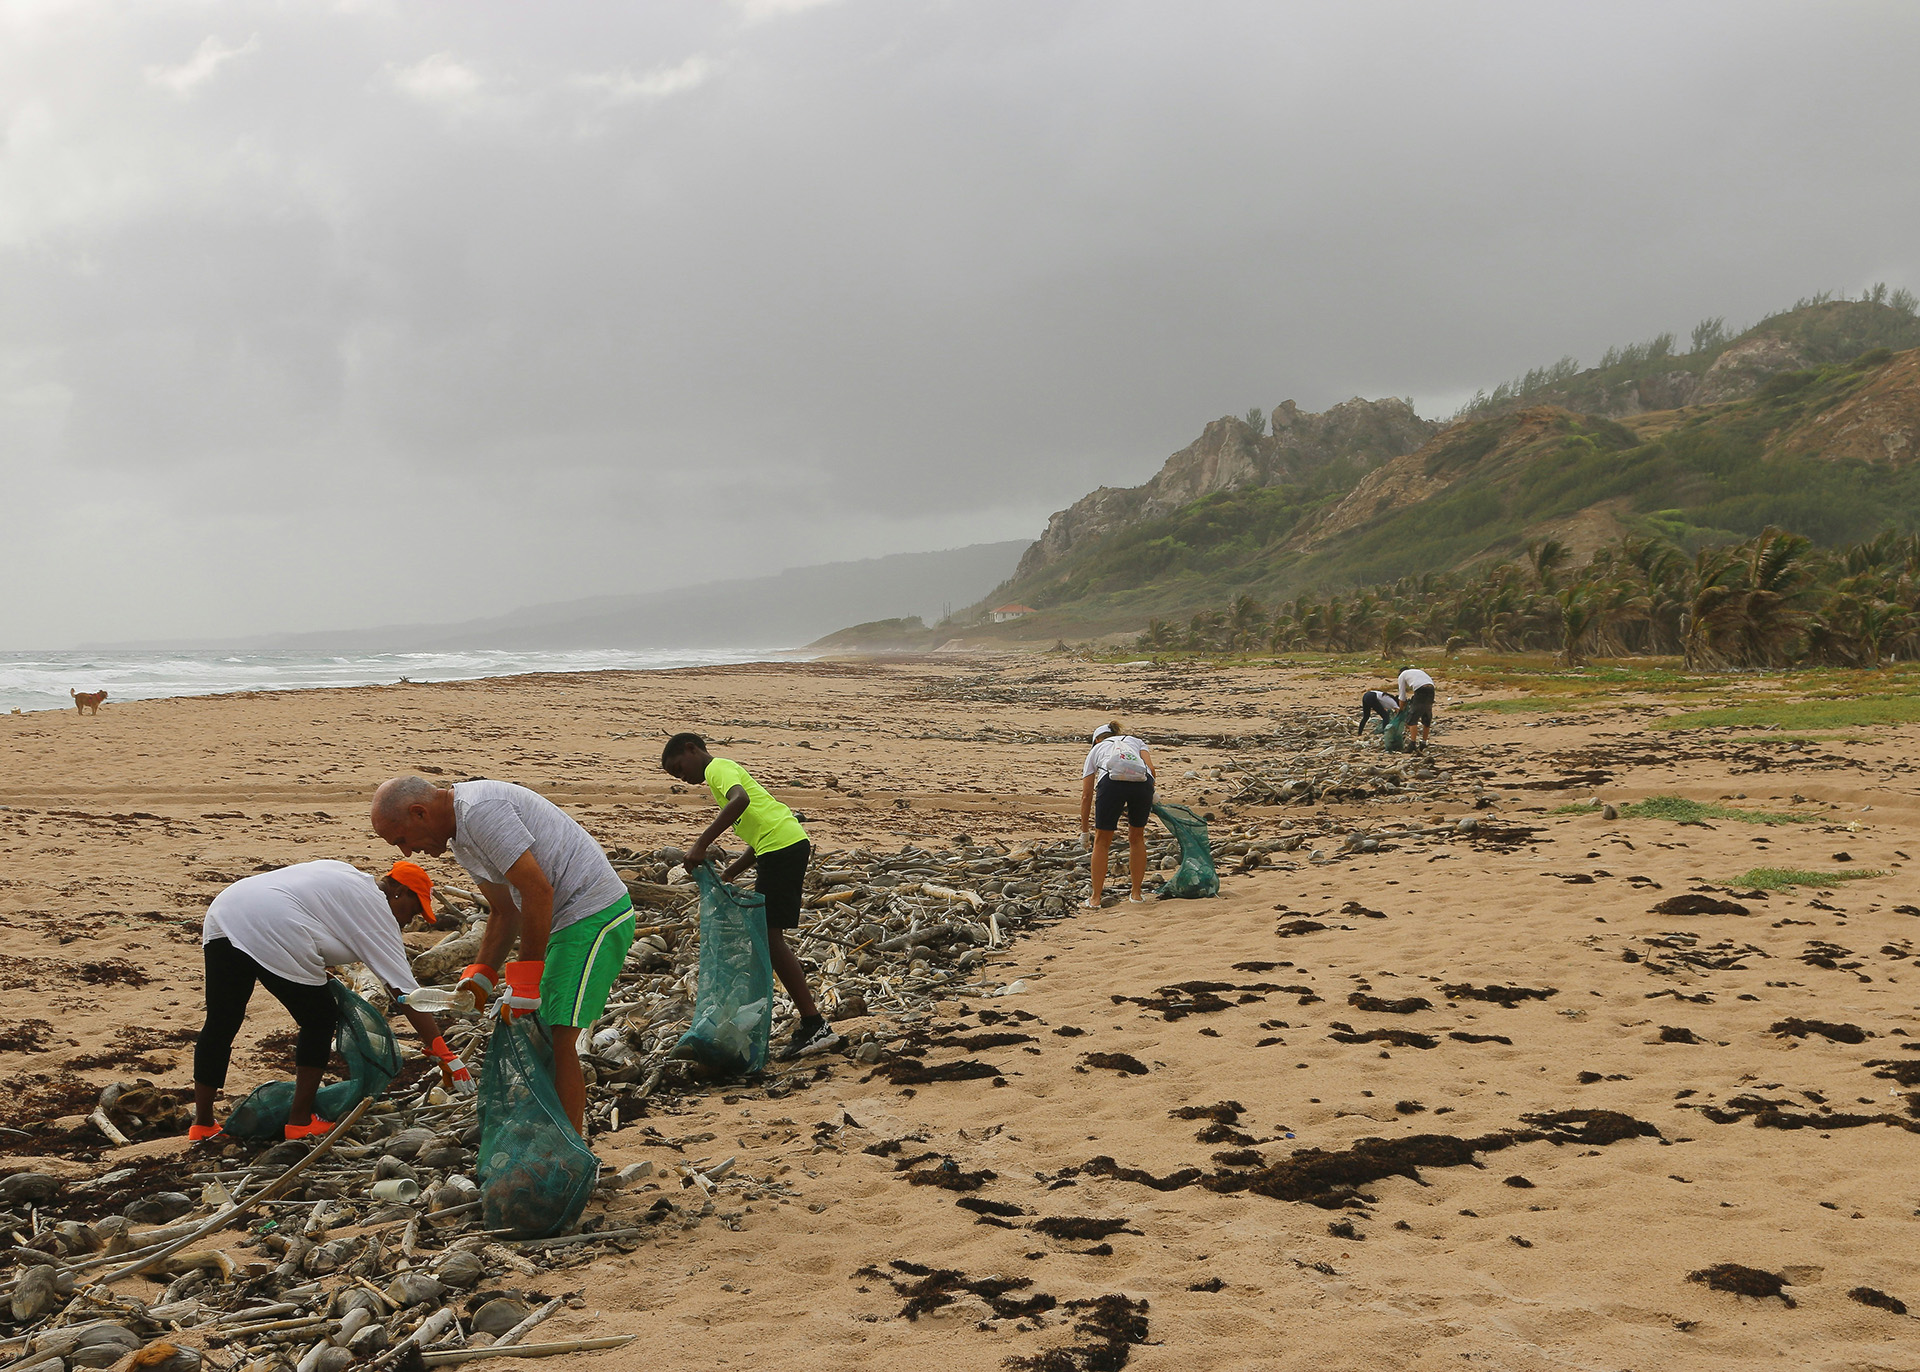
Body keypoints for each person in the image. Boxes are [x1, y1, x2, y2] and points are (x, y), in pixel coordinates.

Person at [370, 776, 635, 1135]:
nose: (406, 852)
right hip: (564, 922)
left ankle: (569, 1149)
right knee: (540, 1035)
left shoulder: (480, 811)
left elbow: (538, 892)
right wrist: (481, 977)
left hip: (593, 914)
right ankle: (551, 1136)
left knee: (559, 1037)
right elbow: (504, 910)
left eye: (401, 839)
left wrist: (524, 984)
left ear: (419, 813)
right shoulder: (461, 838)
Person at [191, 859, 470, 1143]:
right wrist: (444, 1053)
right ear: (398, 890)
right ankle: (300, 1121)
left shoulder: (345, 873)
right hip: (275, 923)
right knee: (320, 1019)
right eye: (414, 909)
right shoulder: (378, 912)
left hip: (226, 910)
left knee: (222, 1020)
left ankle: (202, 1124)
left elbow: (314, 915)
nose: (412, 920)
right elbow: (406, 994)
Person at [660, 732, 842, 1060]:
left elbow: (741, 800)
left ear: (692, 749)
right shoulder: (719, 779)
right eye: (675, 776)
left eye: (679, 767)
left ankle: (815, 1024)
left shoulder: (719, 768)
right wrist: (733, 872)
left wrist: (701, 844)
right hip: (780, 846)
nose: (683, 777)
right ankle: (808, 1021)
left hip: (783, 848)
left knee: (770, 939)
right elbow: (761, 831)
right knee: (768, 938)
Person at [1079, 721, 1156, 908]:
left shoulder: (1096, 749)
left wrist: (1084, 831)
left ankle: (1095, 898)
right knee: (1137, 837)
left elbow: (1086, 794)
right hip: (1142, 783)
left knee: (1102, 841)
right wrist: (1150, 793)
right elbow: (1152, 770)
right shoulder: (1136, 741)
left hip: (1111, 783)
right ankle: (1136, 895)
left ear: (1097, 739)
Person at [1395, 665, 1437, 750]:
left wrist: (1400, 710)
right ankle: (1424, 742)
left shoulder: (1402, 675)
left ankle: (1412, 744)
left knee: (1412, 719)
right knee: (1426, 716)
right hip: (1431, 689)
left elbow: (1402, 696)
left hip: (1420, 690)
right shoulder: (1416, 671)